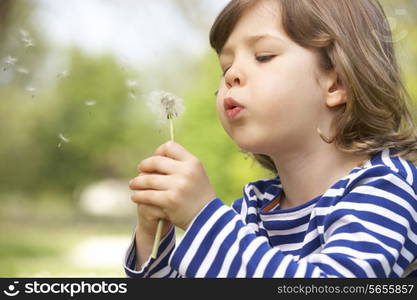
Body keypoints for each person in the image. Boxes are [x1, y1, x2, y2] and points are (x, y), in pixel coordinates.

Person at [124, 0, 417, 278]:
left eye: (263, 56)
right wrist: (153, 236)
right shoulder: (253, 208)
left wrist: (202, 217)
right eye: (225, 66)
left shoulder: (384, 188)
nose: (231, 75)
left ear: (337, 82)